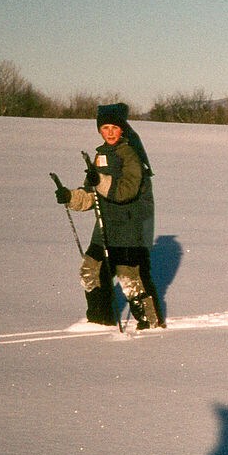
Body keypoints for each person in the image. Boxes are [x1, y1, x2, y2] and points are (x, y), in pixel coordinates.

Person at [53, 103, 164, 328]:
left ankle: (151, 326)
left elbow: (125, 191)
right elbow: (91, 194)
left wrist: (100, 181)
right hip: (105, 229)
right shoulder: (100, 156)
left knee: (131, 279)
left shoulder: (131, 155)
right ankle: (99, 323)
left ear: (123, 129)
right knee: (90, 270)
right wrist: (70, 197)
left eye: (115, 127)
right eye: (105, 128)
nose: (110, 132)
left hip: (131, 230)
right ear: (99, 130)